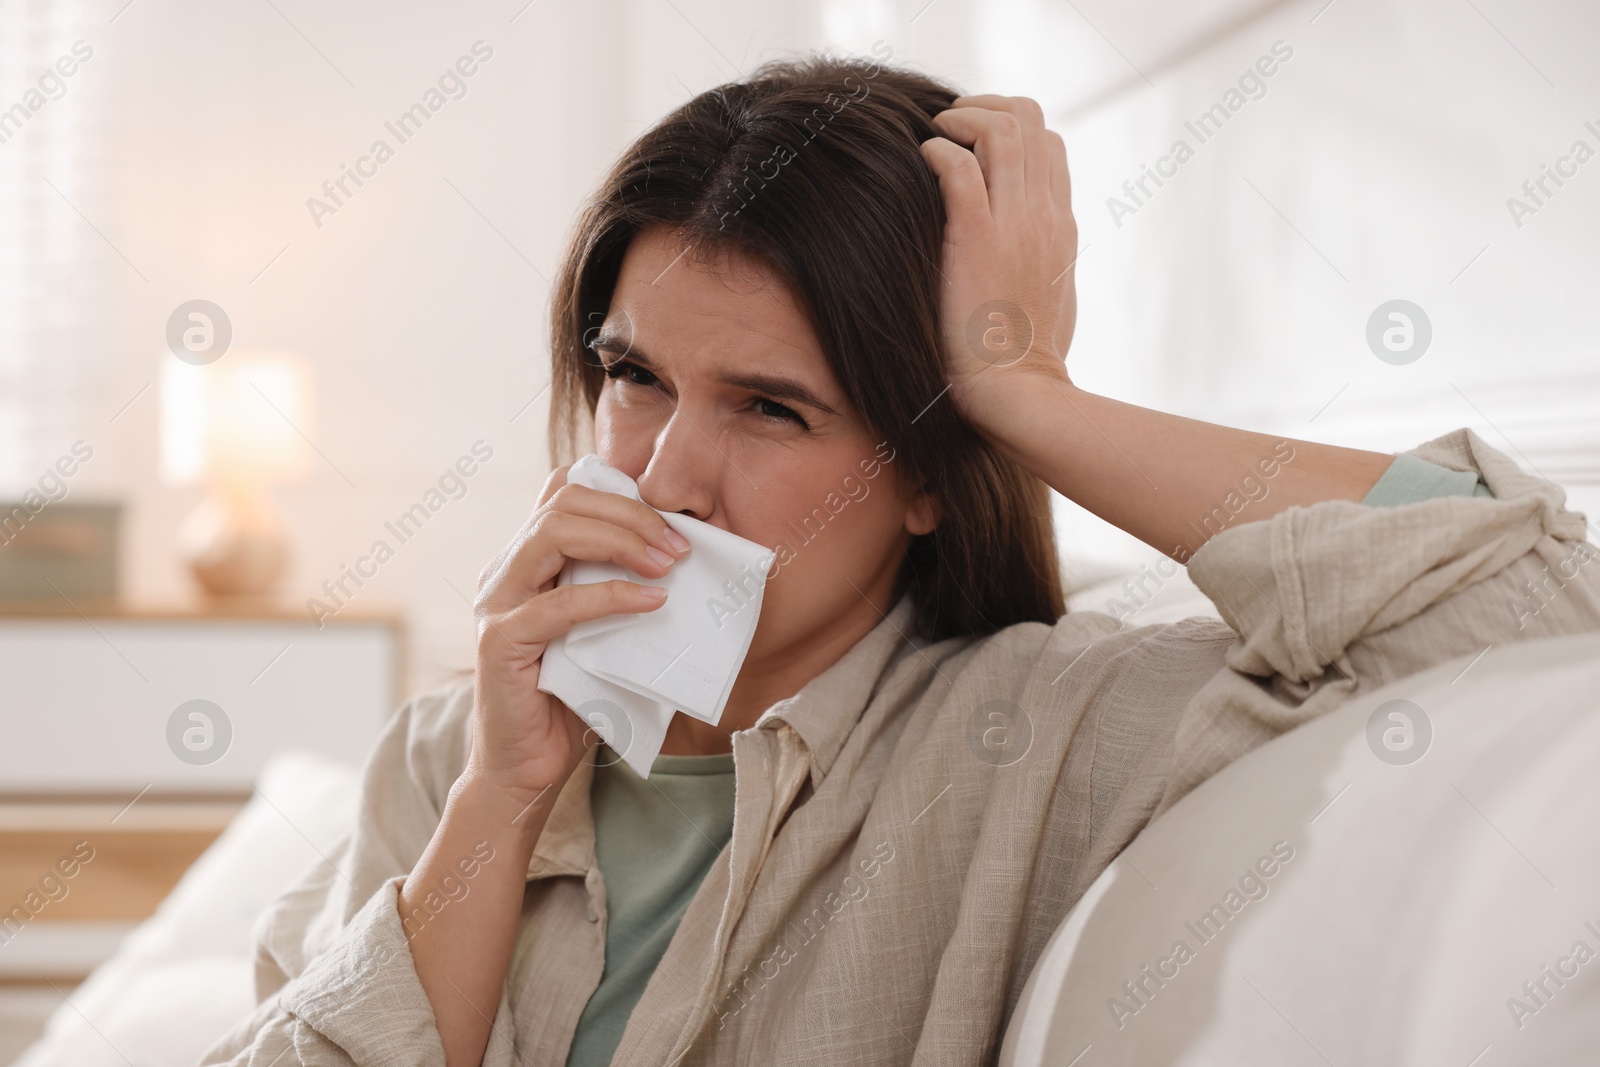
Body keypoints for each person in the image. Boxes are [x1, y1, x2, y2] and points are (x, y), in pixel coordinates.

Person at [203, 54, 1600, 1066]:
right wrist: (500, 799)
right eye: (634, 378)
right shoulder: (449, 759)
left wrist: (1025, 391)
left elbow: (1532, 622)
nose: (668, 472)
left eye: (770, 407)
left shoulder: (1043, 732)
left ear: (924, 475)